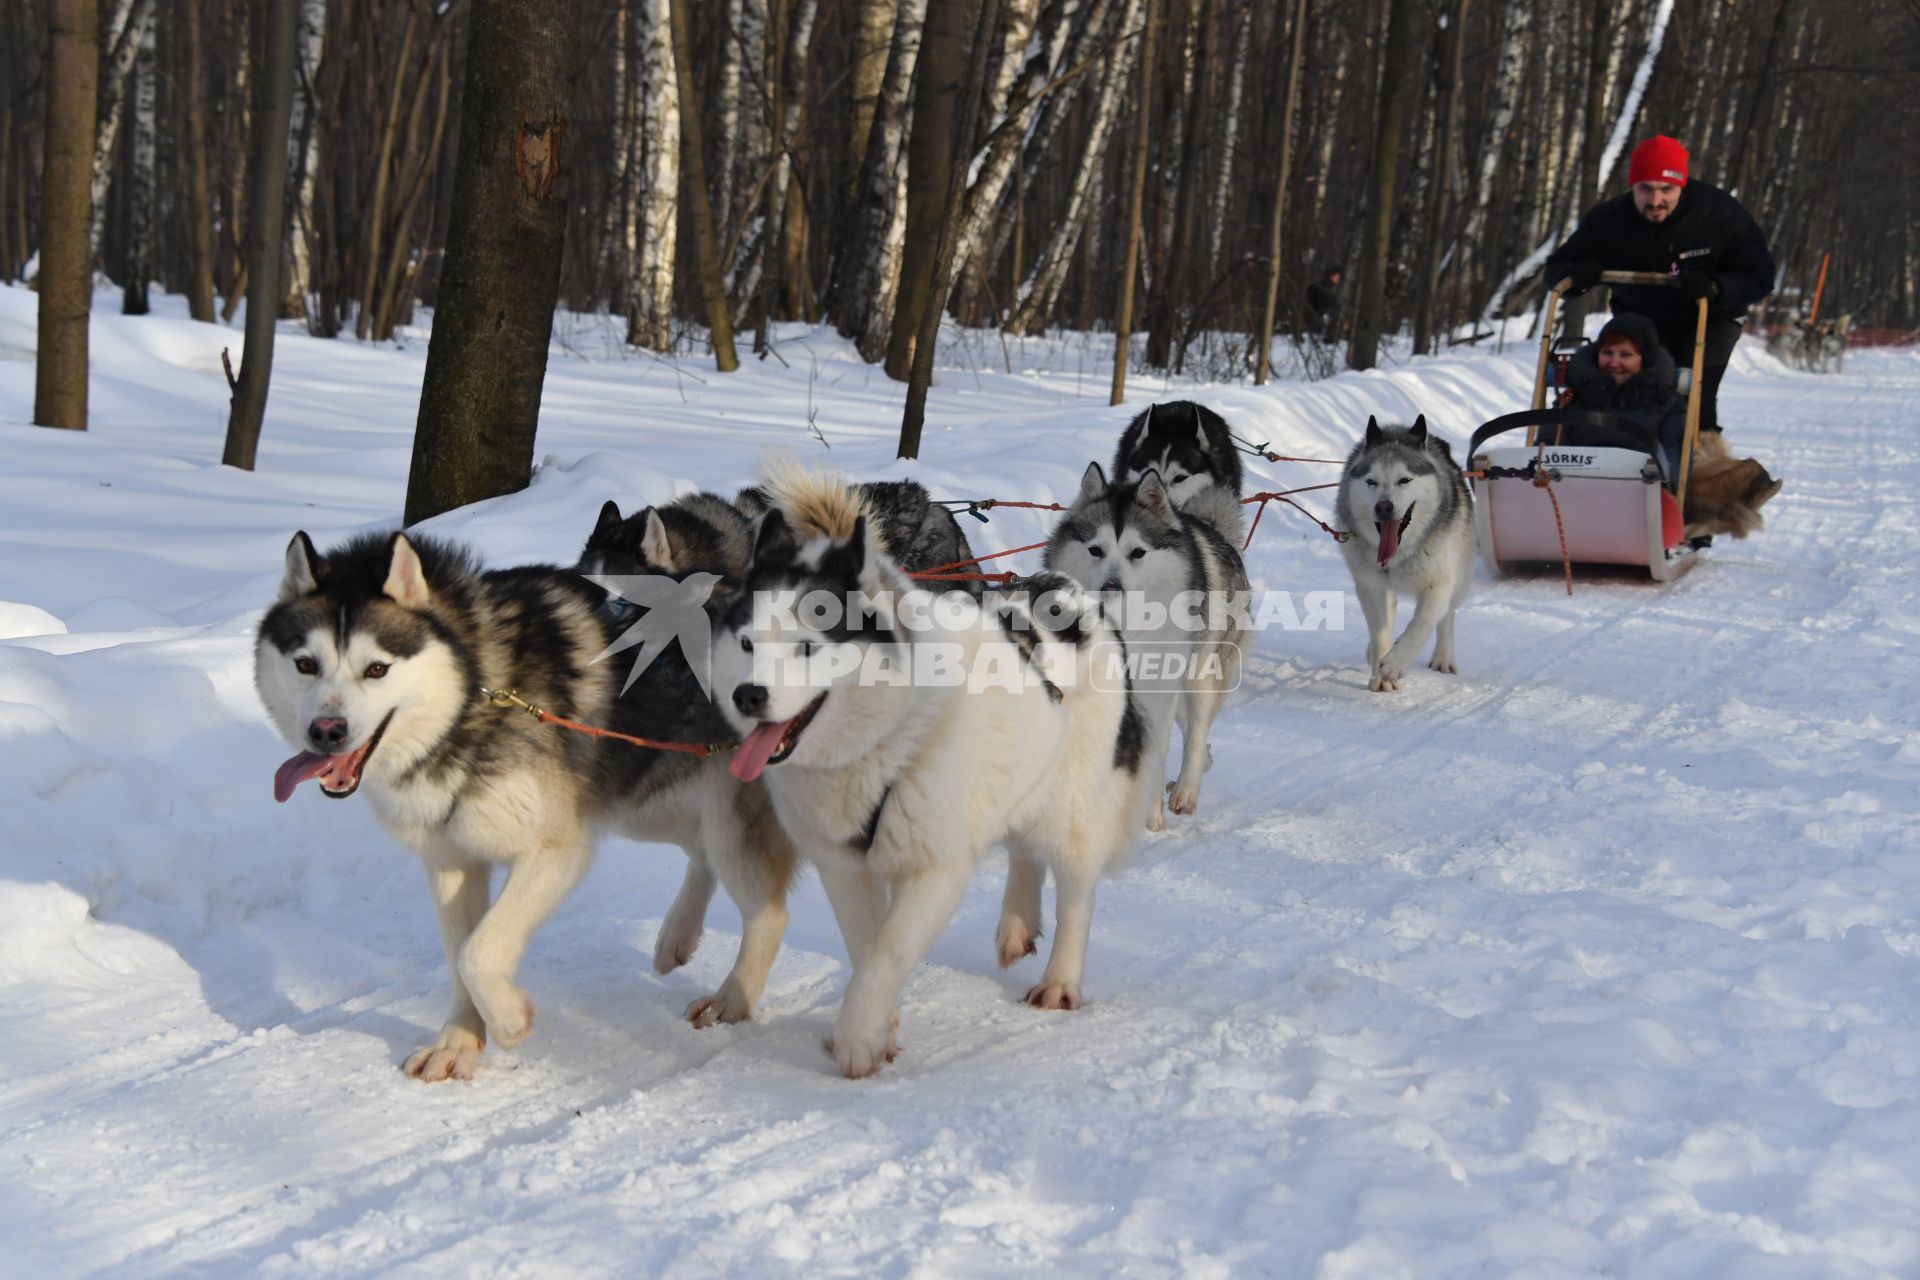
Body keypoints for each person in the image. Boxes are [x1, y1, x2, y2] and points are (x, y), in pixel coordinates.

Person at [1544, 135, 1774, 435]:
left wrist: (1717, 287)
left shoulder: (1719, 214)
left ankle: (1696, 463)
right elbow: (1556, 270)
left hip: (1711, 316)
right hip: (1642, 319)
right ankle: (1626, 459)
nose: (1655, 201)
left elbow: (1760, 275)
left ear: (1682, 185)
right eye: (1645, 189)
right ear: (1632, 187)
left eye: (1667, 189)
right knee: (1636, 391)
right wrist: (1578, 276)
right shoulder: (1609, 219)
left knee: (1695, 395)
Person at [1553, 313, 1783, 539]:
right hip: (1576, 486)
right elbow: (1549, 442)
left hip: (1638, 491)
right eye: (1607, 353)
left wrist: (1663, 486)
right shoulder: (1575, 397)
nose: (1614, 362)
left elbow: (1672, 457)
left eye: (1625, 355)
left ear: (1644, 359)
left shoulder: (1668, 402)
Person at [1305, 266, 1343, 340]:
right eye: (1337, 276)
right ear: (1331, 276)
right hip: (1315, 328)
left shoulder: (1329, 289)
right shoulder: (1321, 289)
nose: (1338, 279)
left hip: (1319, 328)